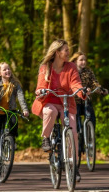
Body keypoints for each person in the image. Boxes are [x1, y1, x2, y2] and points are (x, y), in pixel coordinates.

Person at [31, 39, 86, 182]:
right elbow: (40, 86)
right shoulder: (45, 67)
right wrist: (41, 91)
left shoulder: (71, 67)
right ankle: (46, 138)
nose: (68, 53)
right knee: (50, 112)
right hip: (49, 100)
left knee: (73, 133)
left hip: (67, 103)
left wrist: (81, 92)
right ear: (57, 52)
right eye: (66, 50)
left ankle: (73, 167)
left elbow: (75, 83)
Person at [69, 51, 108, 144]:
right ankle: (77, 141)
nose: (84, 62)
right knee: (76, 122)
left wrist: (101, 90)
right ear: (75, 61)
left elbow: (94, 83)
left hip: (86, 101)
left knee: (91, 118)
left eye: (85, 60)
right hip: (75, 101)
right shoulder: (71, 72)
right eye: (81, 60)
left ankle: (90, 139)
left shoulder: (88, 71)